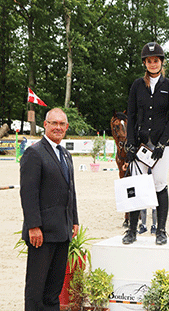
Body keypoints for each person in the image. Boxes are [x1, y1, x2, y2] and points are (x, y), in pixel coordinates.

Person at [20, 108, 79, 310]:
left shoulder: (66, 155)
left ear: (67, 127)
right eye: (54, 123)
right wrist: (34, 226)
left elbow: (71, 190)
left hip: (62, 232)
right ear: (45, 125)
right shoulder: (34, 153)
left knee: (53, 292)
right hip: (42, 235)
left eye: (62, 124)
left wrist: (74, 219)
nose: (58, 127)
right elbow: (28, 193)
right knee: (36, 292)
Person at [124, 42, 169, 245]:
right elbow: (131, 114)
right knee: (137, 184)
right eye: (149, 61)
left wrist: (163, 143)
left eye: (156, 60)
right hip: (140, 144)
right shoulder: (138, 85)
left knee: (159, 183)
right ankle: (131, 230)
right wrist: (130, 143)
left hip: (161, 145)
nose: (153, 64)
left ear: (161, 62)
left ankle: (161, 230)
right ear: (145, 63)